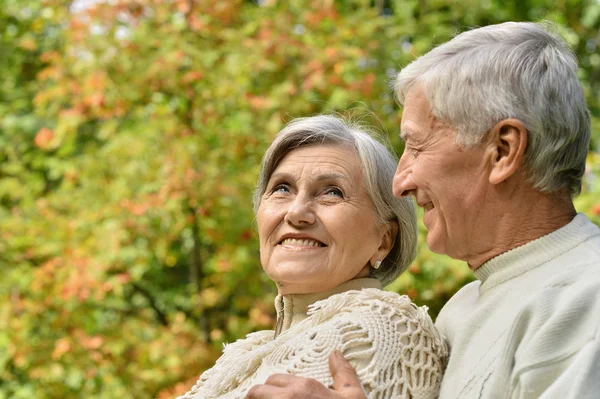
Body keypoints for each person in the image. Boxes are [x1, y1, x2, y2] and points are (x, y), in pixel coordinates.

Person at [246, 21, 600, 399]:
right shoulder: (461, 310)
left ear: (502, 151)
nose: (401, 182)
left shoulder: (584, 297)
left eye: (416, 146)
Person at [177, 115, 448, 399]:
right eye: (282, 188)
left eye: (333, 192)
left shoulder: (384, 328)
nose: (296, 213)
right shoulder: (245, 353)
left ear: (384, 240)